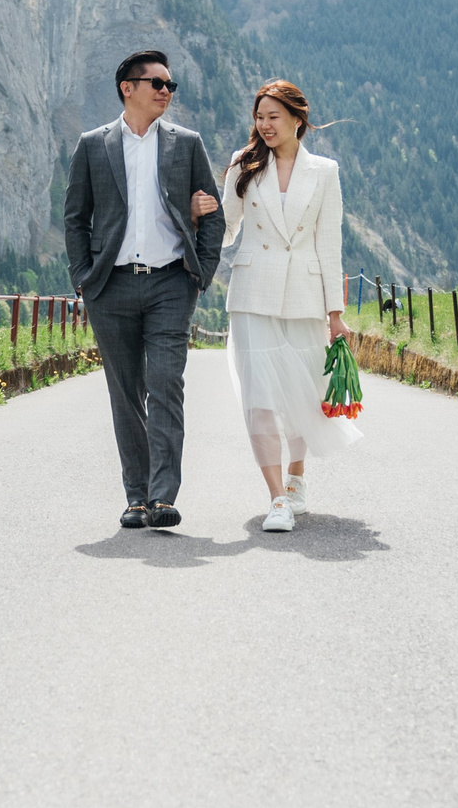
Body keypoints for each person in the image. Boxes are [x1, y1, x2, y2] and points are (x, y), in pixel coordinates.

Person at [63, 50, 224, 530]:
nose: (166, 92)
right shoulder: (93, 146)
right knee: (125, 393)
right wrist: (84, 279)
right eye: (156, 83)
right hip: (110, 287)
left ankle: (161, 498)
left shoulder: (187, 144)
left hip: (171, 284)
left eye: (171, 85)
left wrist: (202, 272)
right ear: (126, 88)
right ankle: (135, 497)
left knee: (165, 386)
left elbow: (210, 210)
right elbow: (75, 218)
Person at [216, 79, 358, 532]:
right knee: (259, 398)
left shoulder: (325, 172)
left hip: (304, 295)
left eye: (273, 117)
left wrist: (335, 314)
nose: (264, 125)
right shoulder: (244, 163)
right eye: (259, 117)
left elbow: (329, 244)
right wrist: (198, 216)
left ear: (298, 119)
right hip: (252, 292)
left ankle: (297, 478)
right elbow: (226, 228)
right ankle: (276, 498)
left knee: (302, 391)